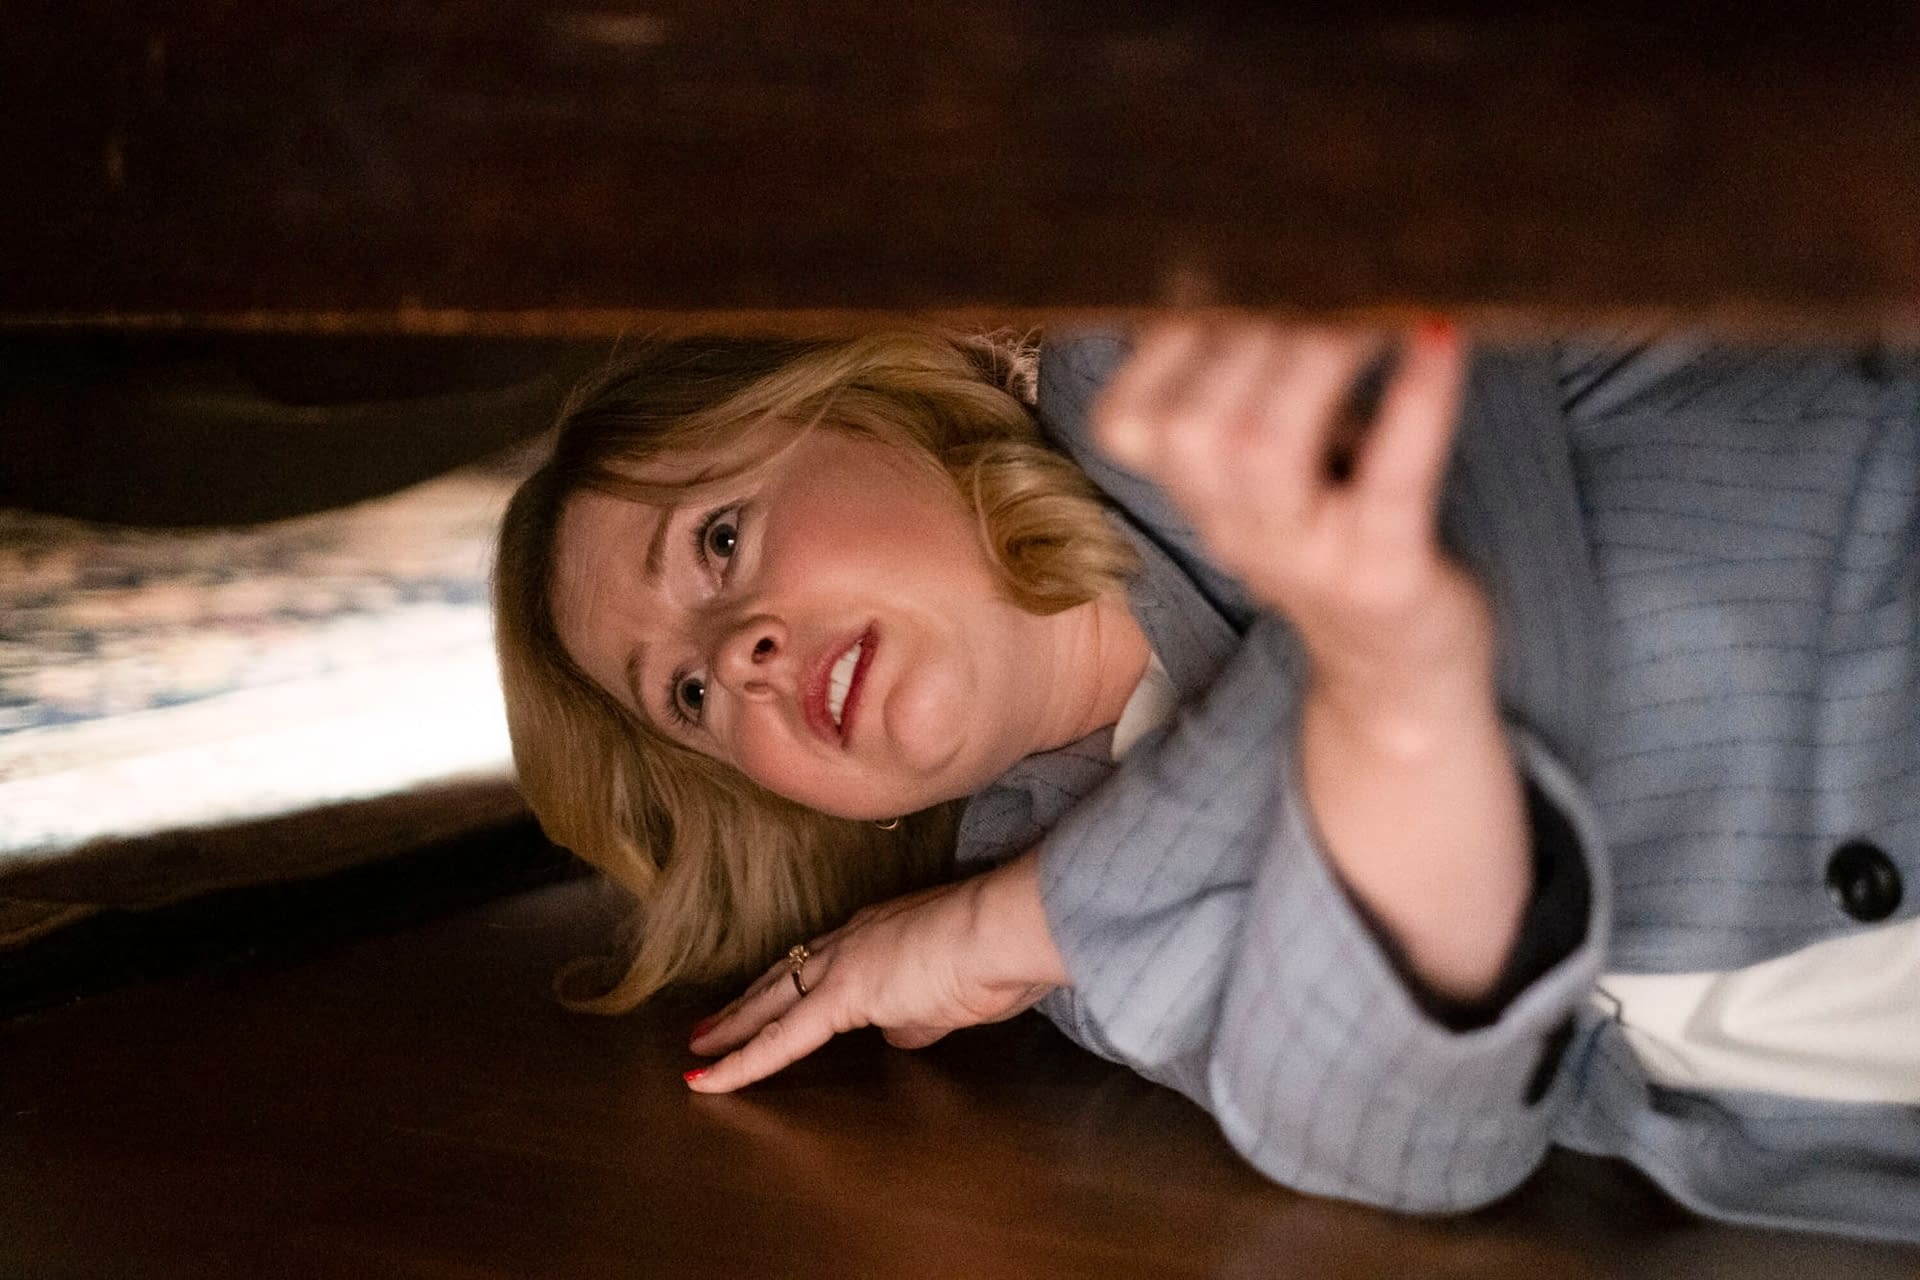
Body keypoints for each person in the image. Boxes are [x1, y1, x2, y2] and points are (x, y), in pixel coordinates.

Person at [492, 323, 1920, 1243]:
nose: (734, 656)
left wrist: (1023, 918)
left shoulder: (1151, 365)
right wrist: (1037, 917)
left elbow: (1468, 593)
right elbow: (1419, 1143)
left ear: (876, 406)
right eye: (685, 698)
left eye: (721, 540)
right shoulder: (1058, 935)